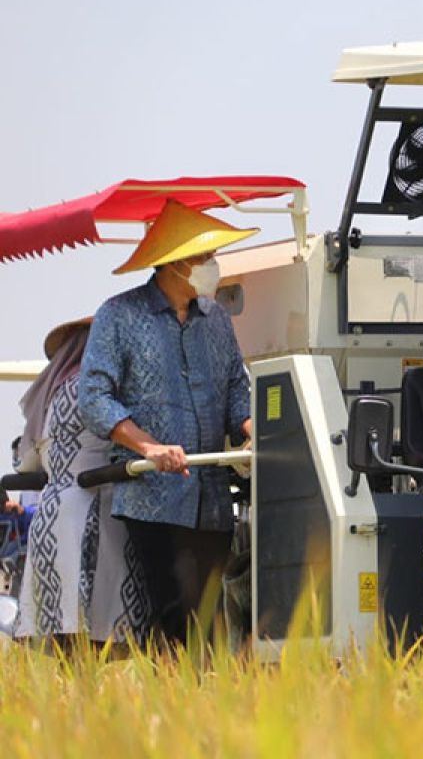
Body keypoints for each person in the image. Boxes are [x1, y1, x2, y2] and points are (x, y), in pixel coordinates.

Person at [79, 200, 256, 645]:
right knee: (176, 612)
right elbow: (95, 398)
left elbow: (238, 387)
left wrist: (250, 431)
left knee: (215, 613)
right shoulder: (119, 315)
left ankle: (208, 703)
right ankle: (178, 699)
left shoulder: (217, 320)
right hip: (153, 497)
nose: (213, 267)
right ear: (175, 264)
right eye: (205, 258)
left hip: (213, 497)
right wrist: (149, 447)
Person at [14, 317, 150, 647]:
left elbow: (27, 463)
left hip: (52, 510)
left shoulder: (53, 394)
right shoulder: (91, 392)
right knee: (98, 626)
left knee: (62, 628)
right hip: (92, 509)